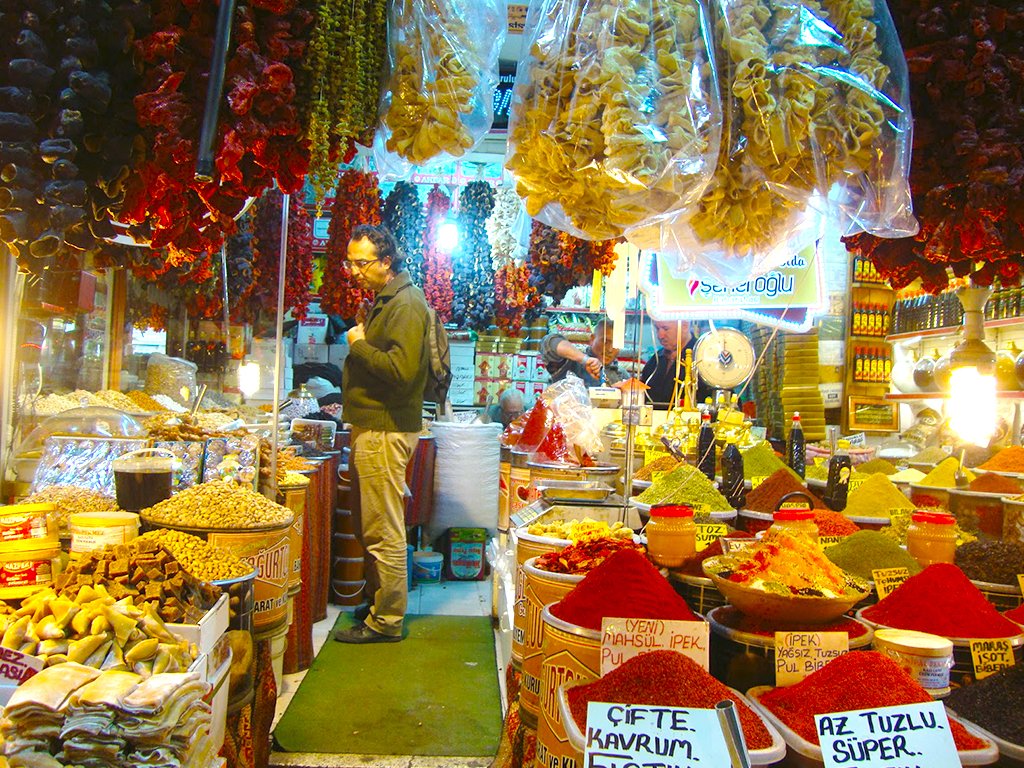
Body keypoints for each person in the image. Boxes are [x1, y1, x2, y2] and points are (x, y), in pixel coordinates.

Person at [335, 224, 429, 644]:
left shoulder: (406, 305)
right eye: (350, 262)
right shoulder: (387, 300)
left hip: (385, 430)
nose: (353, 270)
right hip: (373, 426)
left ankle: (387, 619)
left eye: (362, 262)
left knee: (382, 528)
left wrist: (358, 344)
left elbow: (402, 373)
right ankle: (377, 601)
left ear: (386, 261)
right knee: (367, 522)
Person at [641, 318, 713, 409]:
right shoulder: (655, 361)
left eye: (665, 329)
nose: (660, 335)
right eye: (657, 329)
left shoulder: (705, 359)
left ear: (684, 326)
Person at [540, 317, 623, 387]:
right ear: (592, 339)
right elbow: (549, 343)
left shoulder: (621, 374)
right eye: (605, 341)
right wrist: (585, 360)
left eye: (616, 344)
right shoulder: (573, 363)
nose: (610, 349)